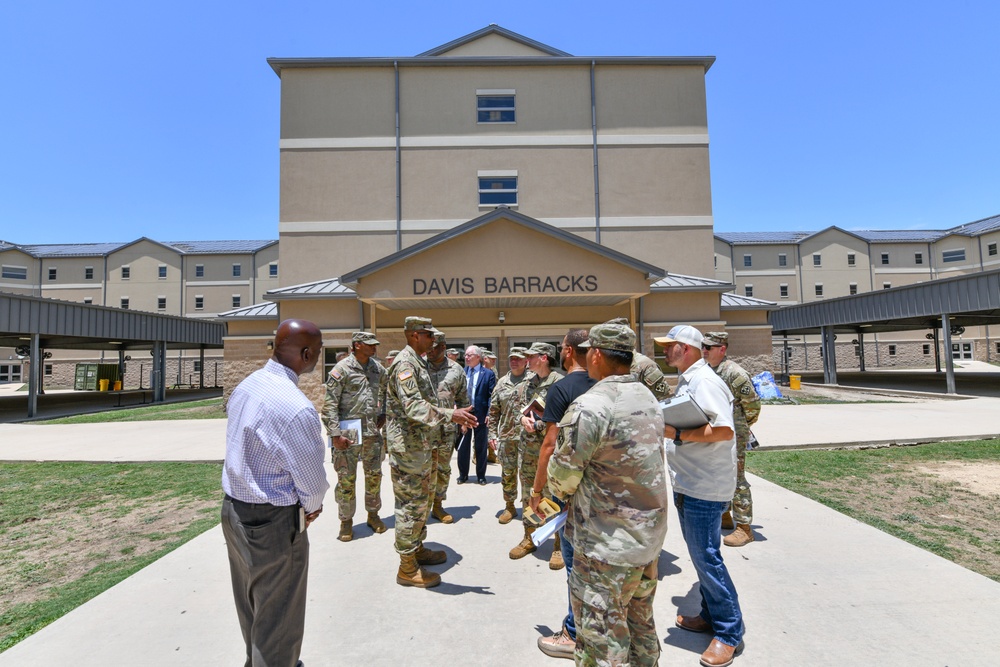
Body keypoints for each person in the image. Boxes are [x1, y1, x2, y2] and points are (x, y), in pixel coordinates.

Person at [548, 320, 668, 667]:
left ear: (597, 355)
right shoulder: (646, 396)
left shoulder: (592, 405)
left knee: (601, 643)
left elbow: (563, 478)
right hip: (646, 541)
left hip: (605, 547)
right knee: (640, 625)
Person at [221, 319, 330, 667]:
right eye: (318, 349)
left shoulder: (247, 386)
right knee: (279, 620)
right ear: (307, 353)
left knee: (253, 609)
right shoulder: (295, 407)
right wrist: (311, 509)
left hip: (235, 511)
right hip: (273, 522)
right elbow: (312, 483)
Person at [655, 325, 744, 667]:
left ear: (687, 349)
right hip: (691, 482)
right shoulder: (692, 377)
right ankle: (709, 614)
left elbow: (722, 430)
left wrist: (675, 432)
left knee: (707, 558)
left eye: (670, 346)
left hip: (704, 488)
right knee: (700, 556)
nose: (665, 350)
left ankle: (728, 633)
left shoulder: (705, 382)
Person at [385, 317, 478, 588]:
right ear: (415, 335)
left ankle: (416, 549)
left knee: (421, 502)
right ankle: (406, 567)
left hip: (421, 445)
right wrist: (452, 414)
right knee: (409, 506)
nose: (433, 341)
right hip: (409, 449)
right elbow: (414, 407)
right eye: (429, 335)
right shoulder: (405, 364)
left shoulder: (418, 361)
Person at [529, 328, 596, 659]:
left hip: (570, 492)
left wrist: (536, 491)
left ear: (568, 351)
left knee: (574, 564)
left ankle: (572, 633)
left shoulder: (562, 388)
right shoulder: (607, 385)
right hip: (607, 490)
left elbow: (550, 445)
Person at [321, 331, 388, 542]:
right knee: (346, 478)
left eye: (375, 344)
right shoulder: (341, 369)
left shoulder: (377, 369)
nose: (374, 347)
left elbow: (387, 390)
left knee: (374, 476)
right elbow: (329, 406)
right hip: (347, 433)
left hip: (371, 432)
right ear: (357, 345)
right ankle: (346, 521)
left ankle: (373, 515)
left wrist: (383, 412)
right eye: (369, 344)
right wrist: (335, 434)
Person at [703, 332, 761, 548]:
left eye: (710, 347)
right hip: (714, 432)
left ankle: (745, 528)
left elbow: (752, 406)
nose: (705, 350)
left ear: (722, 349)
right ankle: (725, 515)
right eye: (704, 346)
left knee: (737, 479)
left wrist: (741, 428)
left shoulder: (734, 373)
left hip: (734, 432)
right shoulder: (707, 371)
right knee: (718, 474)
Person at [509, 342, 564, 560]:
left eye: (531, 356)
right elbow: (515, 409)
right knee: (528, 495)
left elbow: (566, 417)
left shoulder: (560, 383)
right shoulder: (526, 383)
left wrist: (541, 425)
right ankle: (529, 537)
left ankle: (558, 545)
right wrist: (522, 419)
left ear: (543, 358)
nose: (527, 360)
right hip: (529, 450)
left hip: (552, 450)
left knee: (555, 496)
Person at [426, 330, 470, 524]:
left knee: (443, 469)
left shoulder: (456, 370)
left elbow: (463, 399)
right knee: (422, 469)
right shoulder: (418, 367)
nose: (429, 350)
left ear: (443, 347)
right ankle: (421, 507)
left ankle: (437, 505)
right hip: (423, 430)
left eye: (433, 347)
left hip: (446, 430)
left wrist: (465, 422)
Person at [488, 346, 532, 524]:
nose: (514, 361)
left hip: (528, 438)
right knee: (508, 473)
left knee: (528, 475)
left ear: (526, 361)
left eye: (518, 359)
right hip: (507, 437)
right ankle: (510, 506)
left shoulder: (532, 381)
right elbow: (493, 411)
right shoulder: (501, 382)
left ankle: (530, 509)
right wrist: (491, 433)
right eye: (512, 358)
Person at [456, 345, 497, 485]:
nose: (466, 357)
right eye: (466, 355)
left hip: (481, 413)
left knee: (481, 446)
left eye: (469, 355)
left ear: (478, 357)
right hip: (464, 414)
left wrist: (489, 413)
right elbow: (456, 393)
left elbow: (492, 395)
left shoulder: (488, 374)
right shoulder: (462, 372)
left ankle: (481, 476)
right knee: (463, 446)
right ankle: (463, 475)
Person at [482, 351, 500, 463]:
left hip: (492, 402)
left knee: (491, 429)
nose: (494, 361)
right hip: (482, 403)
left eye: (495, 359)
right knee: (481, 431)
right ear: (485, 359)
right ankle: (476, 454)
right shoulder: (479, 370)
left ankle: (491, 454)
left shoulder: (493, 371)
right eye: (491, 359)